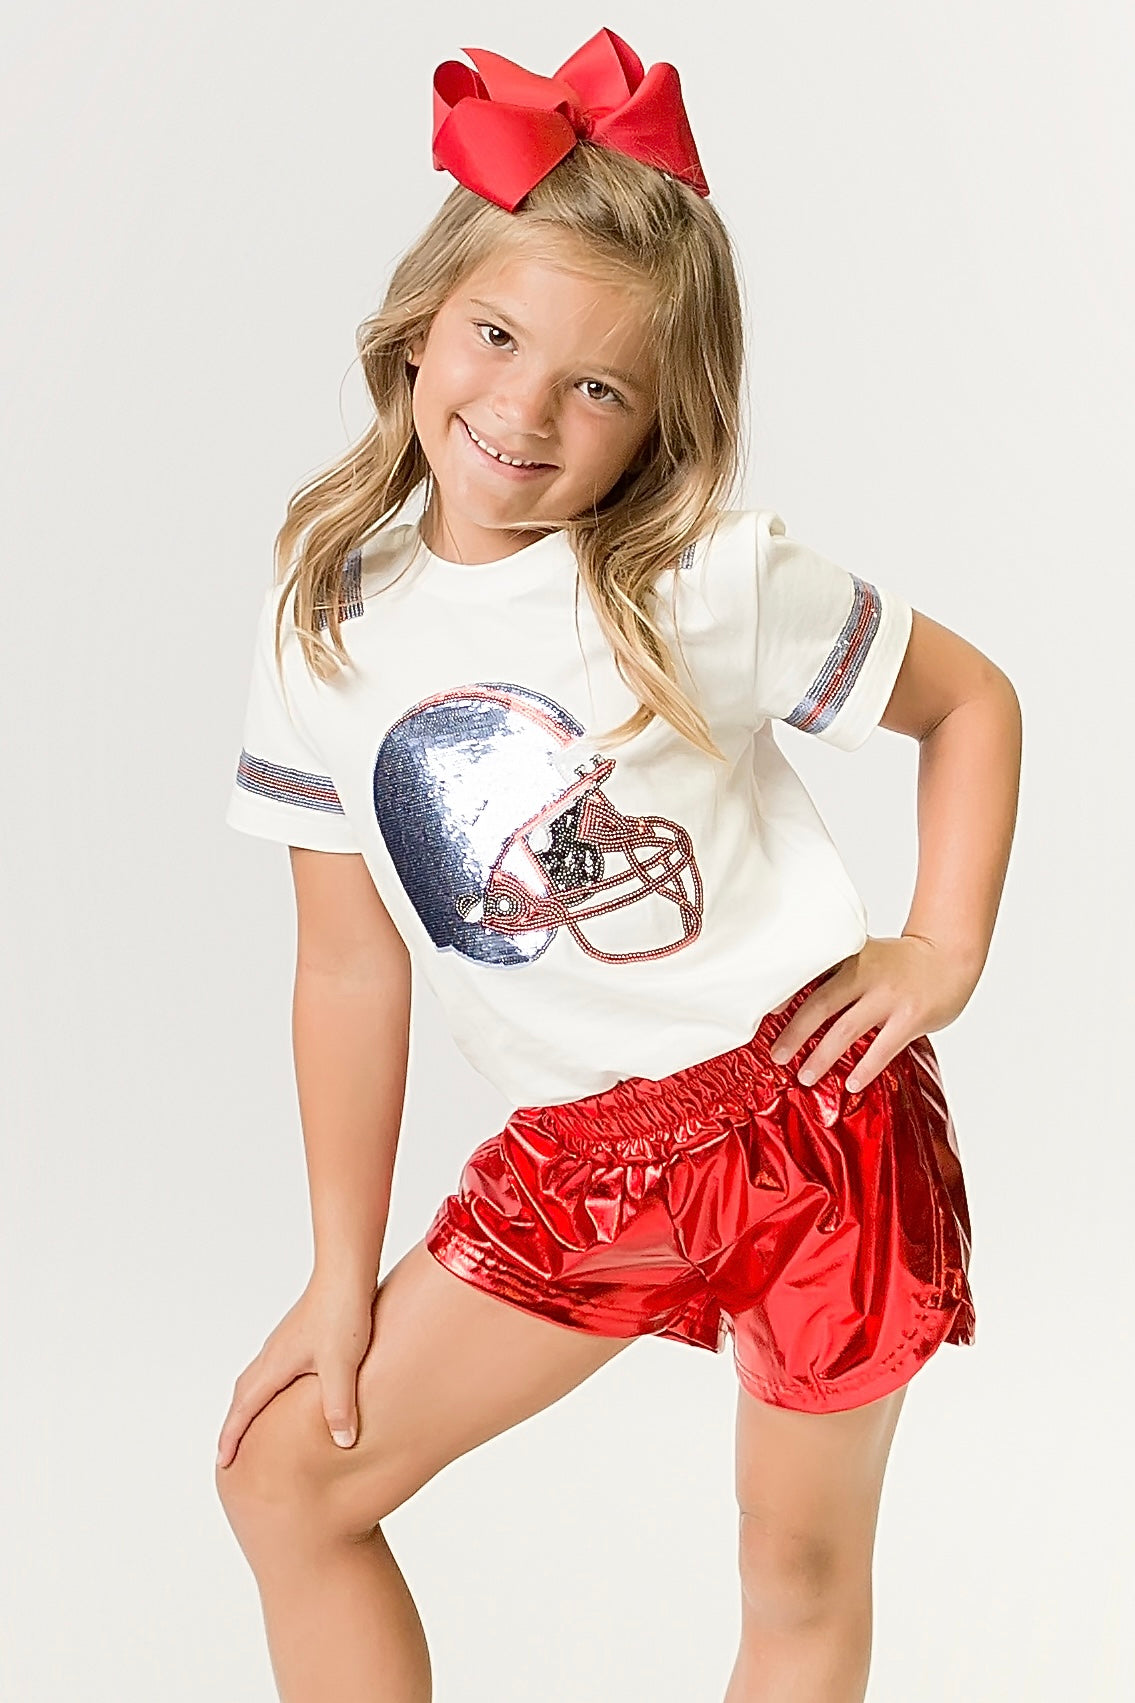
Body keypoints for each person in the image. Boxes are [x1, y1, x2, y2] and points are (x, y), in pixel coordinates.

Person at [213, 27, 1020, 1703]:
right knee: (289, 1478)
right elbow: (349, 965)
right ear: (419, 320)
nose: (522, 409)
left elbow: (972, 703)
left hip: (811, 1114)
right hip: (586, 1164)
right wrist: (336, 1282)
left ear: (661, 417)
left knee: (794, 1568)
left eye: (598, 384)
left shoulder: (699, 579)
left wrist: (941, 947)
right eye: (496, 336)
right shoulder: (324, 628)